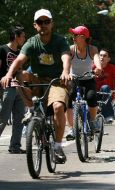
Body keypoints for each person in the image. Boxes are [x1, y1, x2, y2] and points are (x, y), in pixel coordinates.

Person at [1, 9, 71, 163]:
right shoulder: (32, 42)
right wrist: (8, 75)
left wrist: (66, 71)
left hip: (57, 81)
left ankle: (58, 146)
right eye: (40, 22)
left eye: (47, 22)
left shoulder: (60, 40)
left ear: (52, 24)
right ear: (35, 25)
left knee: (58, 107)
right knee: (22, 74)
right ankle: (32, 110)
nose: (44, 25)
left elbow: (65, 56)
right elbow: (19, 60)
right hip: (38, 80)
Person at [65, 25, 102, 140]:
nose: (73, 37)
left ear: (82, 37)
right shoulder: (71, 49)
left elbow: (96, 59)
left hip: (88, 79)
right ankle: (71, 129)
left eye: (75, 35)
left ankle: (92, 121)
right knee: (69, 99)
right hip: (74, 79)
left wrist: (98, 68)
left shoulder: (92, 49)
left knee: (91, 97)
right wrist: (66, 72)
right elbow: (66, 62)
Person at [0, 25, 26, 154]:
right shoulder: (2, 50)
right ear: (16, 37)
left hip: (18, 89)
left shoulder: (21, 53)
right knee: (3, 118)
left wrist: (23, 87)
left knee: (19, 119)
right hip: (6, 88)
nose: (24, 39)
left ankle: (15, 146)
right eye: (23, 36)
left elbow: (20, 72)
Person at [93, 48, 115, 123]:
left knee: (105, 87)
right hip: (93, 93)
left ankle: (108, 116)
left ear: (108, 59)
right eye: (100, 55)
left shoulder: (113, 68)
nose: (102, 57)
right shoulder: (92, 67)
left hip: (106, 94)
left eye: (104, 56)